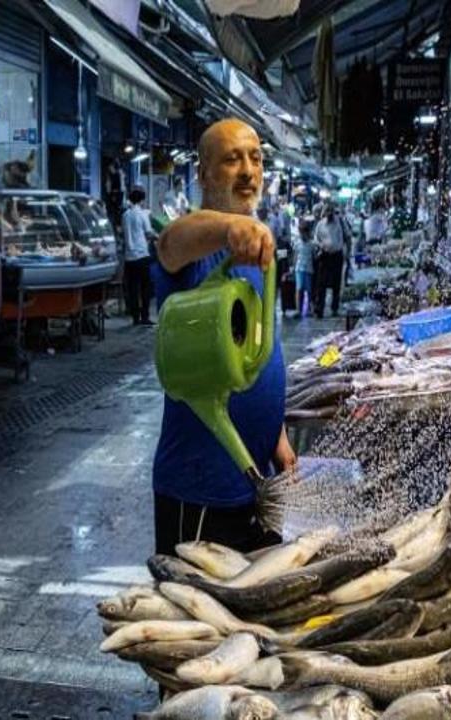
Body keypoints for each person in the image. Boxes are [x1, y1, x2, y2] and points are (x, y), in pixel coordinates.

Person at [150, 118, 296, 556]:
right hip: (199, 490)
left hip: (258, 483)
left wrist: (279, 434)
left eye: (256, 158)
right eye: (232, 159)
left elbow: (256, 347)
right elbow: (169, 243)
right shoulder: (197, 252)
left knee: (255, 614)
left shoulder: (255, 250)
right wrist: (229, 229)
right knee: (194, 619)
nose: (249, 170)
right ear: (202, 174)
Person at [123, 187, 155, 326]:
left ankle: (135, 318)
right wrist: (158, 237)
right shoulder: (142, 214)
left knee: (133, 289)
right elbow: (148, 233)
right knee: (145, 288)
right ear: (142, 200)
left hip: (129, 257)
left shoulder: (125, 215)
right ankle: (145, 316)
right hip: (142, 254)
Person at [312, 202, 348, 318]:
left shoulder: (340, 222)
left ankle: (334, 307)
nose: (329, 214)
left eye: (331, 211)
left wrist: (347, 252)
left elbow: (347, 236)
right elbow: (315, 239)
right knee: (321, 283)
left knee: (336, 283)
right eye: (327, 211)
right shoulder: (320, 225)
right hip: (325, 255)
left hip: (337, 255)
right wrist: (321, 245)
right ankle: (319, 309)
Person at [292, 218, 315, 319]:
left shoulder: (311, 244)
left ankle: (309, 309)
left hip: (309, 269)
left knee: (309, 290)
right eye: (301, 233)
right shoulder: (297, 243)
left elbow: (314, 256)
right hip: (299, 268)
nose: (302, 235)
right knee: (299, 288)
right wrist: (292, 268)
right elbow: (295, 256)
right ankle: (298, 309)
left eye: (304, 233)